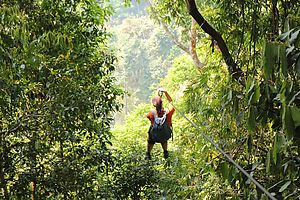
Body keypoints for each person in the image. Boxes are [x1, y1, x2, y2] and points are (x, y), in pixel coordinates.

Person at [145, 88, 175, 160]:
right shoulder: (168, 112)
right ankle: (165, 152)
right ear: (162, 103)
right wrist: (166, 92)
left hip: (154, 136)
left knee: (150, 137)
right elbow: (171, 101)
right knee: (164, 136)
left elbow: (150, 117)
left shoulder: (151, 113)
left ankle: (148, 154)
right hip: (165, 135)